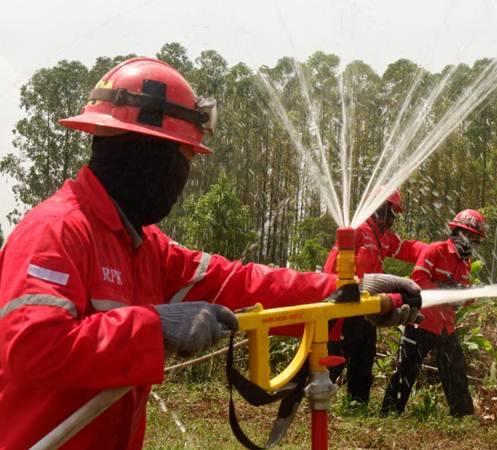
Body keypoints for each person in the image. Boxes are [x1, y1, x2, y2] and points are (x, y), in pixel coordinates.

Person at [0, 57, 421, 449]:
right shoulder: (56, 232)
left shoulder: (142, 246)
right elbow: (32, 348)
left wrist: (346, 295)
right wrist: (152, 327)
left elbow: (235, 283)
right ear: (149, 154)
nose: (183, 179)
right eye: (185, 159)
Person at [323, 189, 427, 404]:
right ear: (379, 208)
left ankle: (357, 403)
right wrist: (331, 297)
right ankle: (312, 399)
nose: (392, 219)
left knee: (364, 356)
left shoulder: (383, 238)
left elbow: (407, 249)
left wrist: (434, 250)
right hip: (346, 305)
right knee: (336, 355)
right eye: (391, 213)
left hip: (368, 307)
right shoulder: (358, 230)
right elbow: (333, 265)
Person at [380, 209, 487, 417]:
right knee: (407, 370)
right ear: (460, 233)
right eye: (472, 237)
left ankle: (463, 417)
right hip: (421, 323)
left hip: (446, 327)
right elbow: (418, 280)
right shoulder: (434, 251)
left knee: (455, 371)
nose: (473, 243)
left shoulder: (465, 264)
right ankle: (389, 414)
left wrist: (466, 297)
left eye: (476, 240)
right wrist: (447, 289)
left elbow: (457, 297)